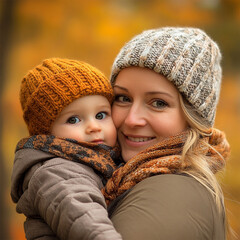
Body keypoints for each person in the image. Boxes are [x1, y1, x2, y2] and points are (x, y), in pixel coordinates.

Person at [102, 27, 231, 239]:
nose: (132, 119)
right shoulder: (117, 175)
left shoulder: (169, 196)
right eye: (123, 98)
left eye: (158, 103)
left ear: (193, 118)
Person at [10, 58, 123, 240]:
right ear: (47, 133)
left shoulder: (99, 162)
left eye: (101, 115)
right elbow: (84, 220)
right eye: (73, 120)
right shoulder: (57, 172)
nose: (94, 126)